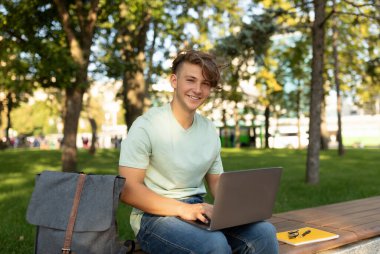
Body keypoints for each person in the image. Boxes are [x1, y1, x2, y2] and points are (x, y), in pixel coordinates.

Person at [119, 50, 278, 254]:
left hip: (198, 210)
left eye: (205, 83)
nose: (197, 89)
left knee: (263, 233)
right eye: (191, 80)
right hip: (154, 217)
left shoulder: (209, 130)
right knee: (214, 245)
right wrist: (183, 209)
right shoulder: (146, 126)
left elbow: (217, 182)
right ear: (174, 81)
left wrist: (240, 210)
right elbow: (128, 189)